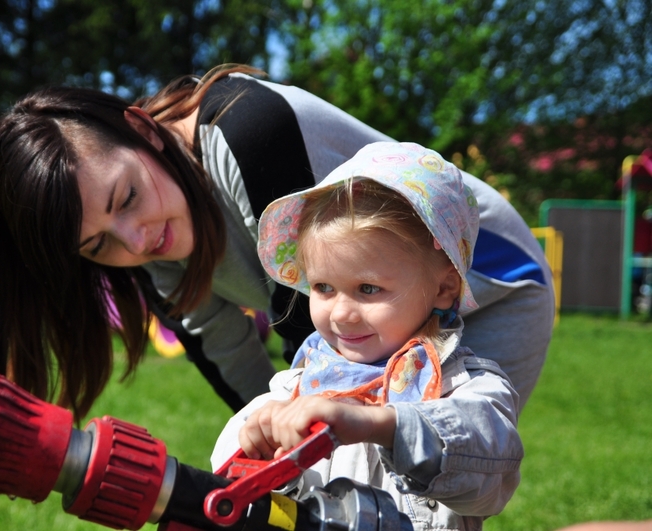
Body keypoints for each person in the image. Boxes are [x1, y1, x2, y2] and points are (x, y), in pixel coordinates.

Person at [0, 64, 554, 421]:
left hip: (490, 283)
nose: (136, 240)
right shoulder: (147, 239)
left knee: (426, 490)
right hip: (375, 322)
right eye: (98, 245)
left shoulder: (248, 133)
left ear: (145, 132)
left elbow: (321, 338)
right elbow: (236, 365)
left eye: (126, 198)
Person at [211, 141, 523, 531]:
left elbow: (490, 469)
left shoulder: (464, 385)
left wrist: (379, 425)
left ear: (444, 288)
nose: (341, 313)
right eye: (323, 287)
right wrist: (263, 453)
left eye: (368, 289)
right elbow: (229, 486)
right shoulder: (295, 388)